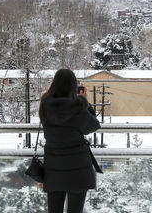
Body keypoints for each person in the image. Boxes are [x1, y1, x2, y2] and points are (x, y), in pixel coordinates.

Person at [39, 68, 101, 213]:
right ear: (74, 86)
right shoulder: (78, 106)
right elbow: (93, 126)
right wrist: (85, 101)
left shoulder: (45, 104)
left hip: (54, 167)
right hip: (78, 168)